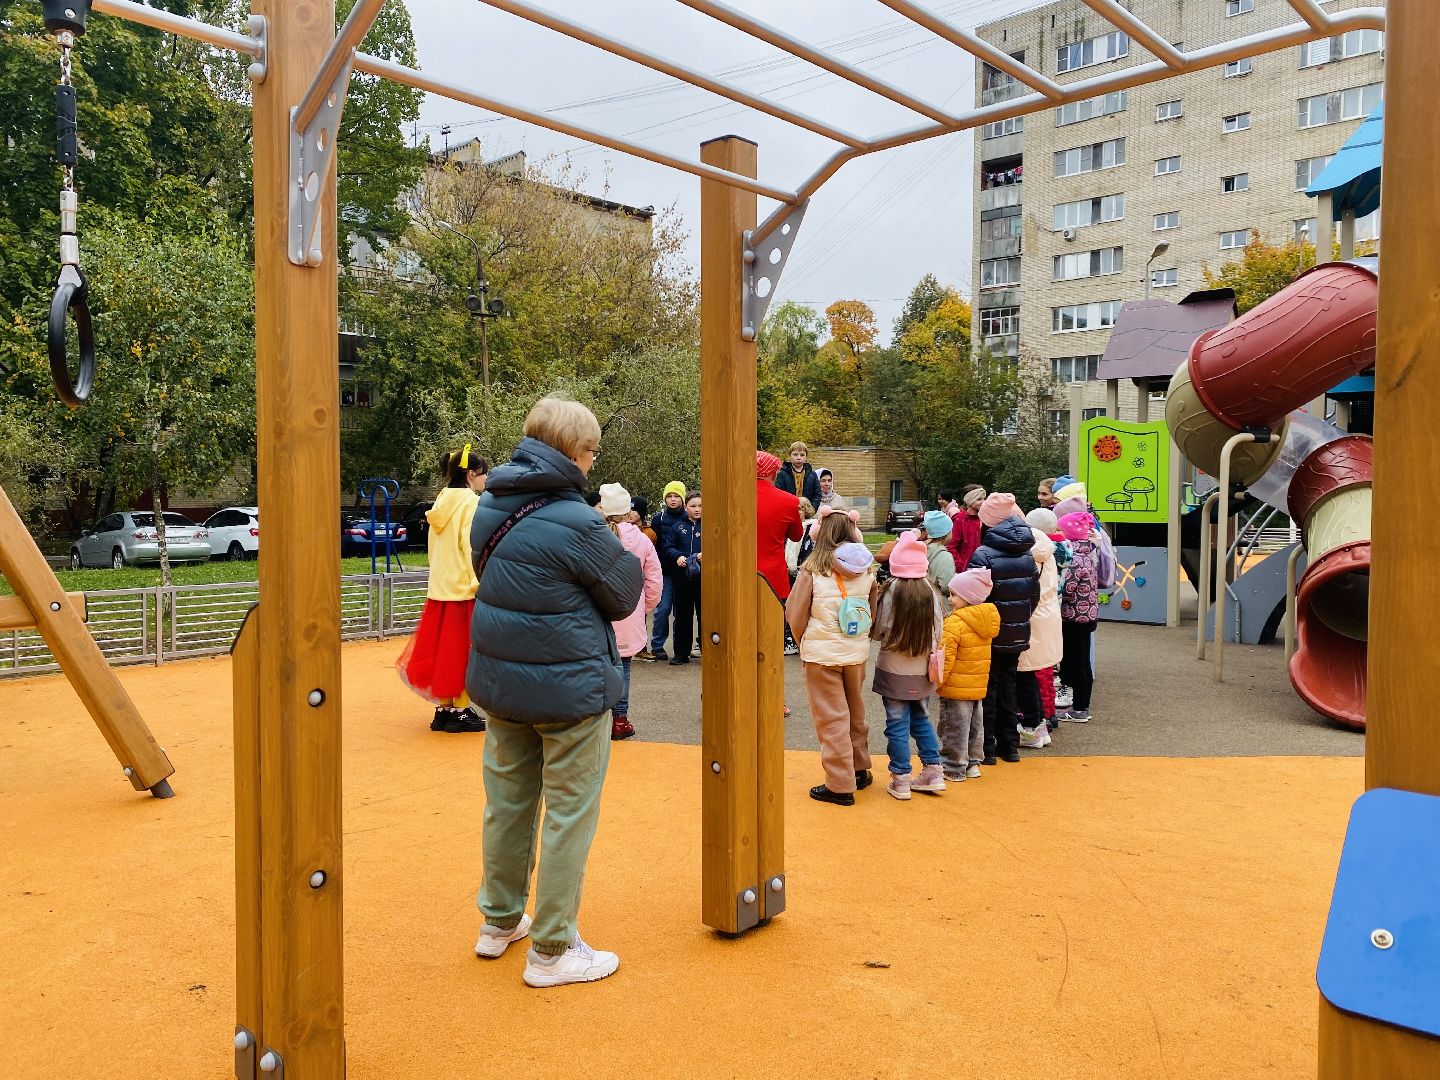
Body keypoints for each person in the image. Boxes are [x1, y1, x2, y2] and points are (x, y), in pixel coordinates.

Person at [466, 396, 642, 988]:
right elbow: (623, 595)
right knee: (569, 812)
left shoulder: (490, 503)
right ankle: (552, 949)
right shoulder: (579, 521)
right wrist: (620, 545)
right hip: (569, 687)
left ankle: (498, 921)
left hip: (502, 678)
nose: (593, 462)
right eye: (592, 451)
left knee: (508, 803)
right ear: (574, 451)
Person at [785, 507, 874, 806]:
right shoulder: (867, 569)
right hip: (856, 652)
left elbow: (795, 613)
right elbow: (872, 609)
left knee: (831, 718)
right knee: (855, 711)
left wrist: (803, 641)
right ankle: (859, 769)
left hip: (821, 655)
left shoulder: (812, 570)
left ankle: (839, 784)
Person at [396, 445, 489, 734]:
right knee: (463, 651)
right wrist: (478, 581)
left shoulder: (442, 499)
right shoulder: (470, 502)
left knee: (443, 651)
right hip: (463, 586)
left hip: (440, 585)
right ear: (471, 474)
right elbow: (470, 545)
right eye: (483, 474)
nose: (485, 480)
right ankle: (459, 710)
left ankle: (444, 708)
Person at [869, 530, 946, 800]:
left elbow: (878, 629)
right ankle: (934, 771)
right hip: (923, 668)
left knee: (896, 723)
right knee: (922, 718)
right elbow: (939, 630)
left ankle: (901, 778)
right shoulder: (930, 592)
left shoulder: (891, 590)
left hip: (893, 668)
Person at [968, 492, 1039, 764]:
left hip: (988, 631)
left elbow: (974, 596)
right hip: (1017, 630)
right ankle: (1009, 746)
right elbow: (1033, 595)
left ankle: (986, 748)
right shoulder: (1027, 553)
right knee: (1009, 686)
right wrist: (1019, 617)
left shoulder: (983, 554)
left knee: (988, 689)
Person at [600, 483, 662, 741]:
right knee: (623, 666)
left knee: (598, 666)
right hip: (629, 612)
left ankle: (597, 720)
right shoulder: (642, 539)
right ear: (628, 511)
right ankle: (620, 719)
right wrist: (645, 606)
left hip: (598, 613)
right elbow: (654, 578)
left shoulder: (594, 535)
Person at [937, 567, 1000, 781]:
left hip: (955, 686)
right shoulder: (985, 620)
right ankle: (973, 763)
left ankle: (953, 766)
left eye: (954, 595)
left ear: (968, 597)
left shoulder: (954, 623)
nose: (950, 599)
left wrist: (938, 681)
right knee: (975, 725)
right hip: (977, 684)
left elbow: (946, 658)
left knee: (954, 726)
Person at [1017, 507, 1062, 749]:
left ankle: (1032, 728)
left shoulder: (1026, 554)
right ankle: (1042, 723)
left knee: (1025, 674)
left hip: (1030, 617)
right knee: (1040, 673)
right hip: (1049, 616)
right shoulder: (1050, 551)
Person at [1057, 510, 1101, 723]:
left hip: (1074, 617)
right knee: (1081, 660)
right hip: (1087, 615)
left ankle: (1080, 708)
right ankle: (1080, 706)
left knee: (1077, 661)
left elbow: (1067, 588)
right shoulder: (1088, 552)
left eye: (1060, 530)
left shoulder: (1074, 558)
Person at [642, 480, 688, 662]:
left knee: (681, 611)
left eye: (676, 496)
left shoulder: (690, 517)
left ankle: (680, 647)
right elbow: (654, 544)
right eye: (669, 496)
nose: (673, 499)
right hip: (664, 570)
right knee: (663, 609)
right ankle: (658, 645)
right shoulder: (658, 519)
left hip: (685, 571)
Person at [660, 491, 703, 665]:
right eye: (693, 506)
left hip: (705, 578)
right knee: (683, 615)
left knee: (706, 614)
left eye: (700, 506)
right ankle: (681, 653)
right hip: (683, 577)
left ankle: (709, 650)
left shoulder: (710, 526)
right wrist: (677, 556)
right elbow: (668, 547)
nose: (697, 509)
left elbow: (720, 545)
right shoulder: (678, 527)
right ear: (686, 507)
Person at [756, 451, 803, 600]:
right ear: (773, 473)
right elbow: (796, 536)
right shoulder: (789, 501)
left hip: (737, 574)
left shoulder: (733, 498)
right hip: (773, 577)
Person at [948, 486, 985, 571]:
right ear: (969, 500)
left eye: (984, 498)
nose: (983, 502)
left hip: (982, 569)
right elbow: (951, 547)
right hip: (965, 570)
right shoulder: (959, 519)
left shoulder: (985, 519)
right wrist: (961, 566)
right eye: (979, 499)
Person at [774, 440, 822, 504]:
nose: (798, 458)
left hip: (807, 508)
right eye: (795, 454)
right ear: (790, 456)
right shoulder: (782, 474)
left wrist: (811, 508)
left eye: (802, 455)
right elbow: (778, 494)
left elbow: (817, 495)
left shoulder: (812, 475)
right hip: (788, 508)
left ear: (806, 457)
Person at [921, 509, 956, 598]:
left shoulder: (921, 548)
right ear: (946, 533)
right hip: (937, 601)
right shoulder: (945, 556)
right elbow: (947, 586)